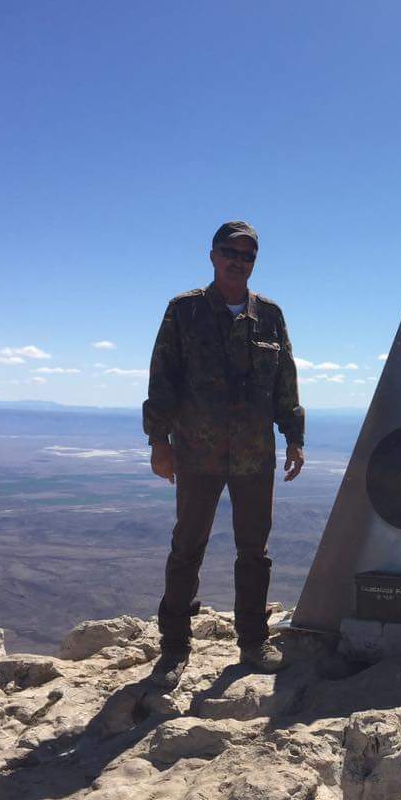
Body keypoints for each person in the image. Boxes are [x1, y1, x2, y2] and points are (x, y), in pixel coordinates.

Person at [143, 221, 305, 689]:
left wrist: (294, 436)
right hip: (197, 452)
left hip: (256, 454)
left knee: (254, 550)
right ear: (212, 256)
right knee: (187, 546)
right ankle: (174, 647)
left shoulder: (269, 316)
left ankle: (253, 641)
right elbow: (163, 377)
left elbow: (285, 382)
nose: (239, 260)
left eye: (247, 254)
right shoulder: (185, 311)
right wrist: (159, 441)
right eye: (230, 252)